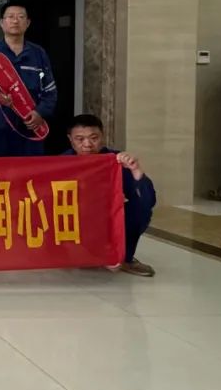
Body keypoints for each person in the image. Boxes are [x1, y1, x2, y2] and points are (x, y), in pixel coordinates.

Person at [64, 114, 156, 277]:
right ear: (70, 139)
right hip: (75, 224)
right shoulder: (60, 164)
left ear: (102, 136)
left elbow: (148, 200)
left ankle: (124, 257)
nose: (87, 144)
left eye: (94, 138)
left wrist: (136, 171)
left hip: (106, 220)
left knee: (140, 209)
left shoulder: (116, 161)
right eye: (80, 139)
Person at [0, 0, 57, 157]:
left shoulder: (38, 53)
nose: (15, 21)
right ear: (2, 23)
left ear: (27, 23)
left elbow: (50, 90)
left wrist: (40, 112)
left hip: (30, 127)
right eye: (10, 17)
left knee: (30, 171)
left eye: (21, 17)